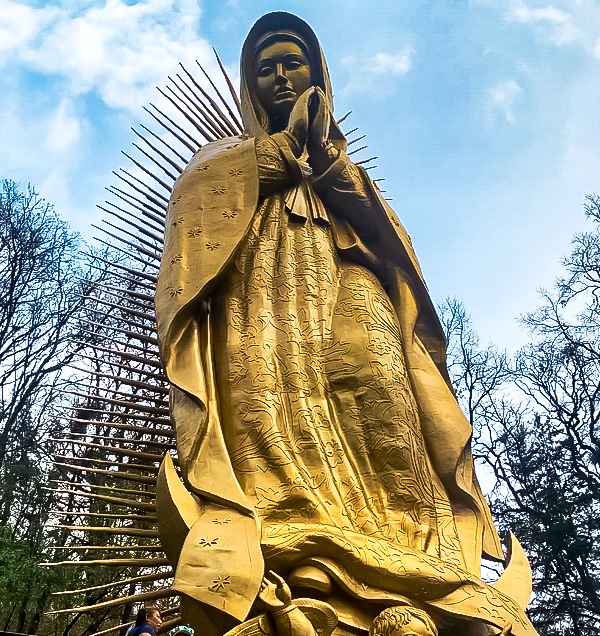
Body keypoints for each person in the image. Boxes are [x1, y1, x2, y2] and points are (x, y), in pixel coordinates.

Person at [157, 11, 534, 636]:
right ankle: (294, 542)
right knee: (272, 407)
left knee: (386, 401)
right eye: (267, 69)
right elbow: (196, 220)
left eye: (293, 64)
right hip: (263, 294)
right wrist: (281, 150)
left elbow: (395, 251)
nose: (281, 77)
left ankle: (410, 553)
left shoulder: (346, 172)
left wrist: (329, 168)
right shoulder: (223, 160)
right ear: (251, 85)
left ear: (318, 76)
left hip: (348, 286)